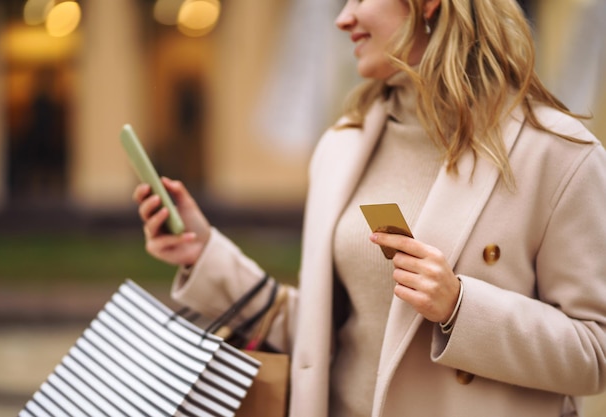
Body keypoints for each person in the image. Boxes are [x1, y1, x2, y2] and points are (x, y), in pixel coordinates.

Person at [133, 0, 606, 415]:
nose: (343, 19)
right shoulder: (343, 145)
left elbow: (595, 353)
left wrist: (461, 307)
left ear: (428, 5)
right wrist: (202, 252)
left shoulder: (558, 152)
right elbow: (325, 338)